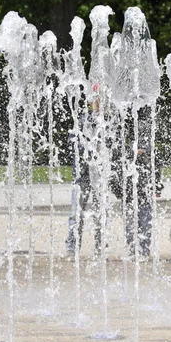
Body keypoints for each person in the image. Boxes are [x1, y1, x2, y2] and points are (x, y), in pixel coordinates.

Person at [112, 105, 163, 259]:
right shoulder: (124, 150)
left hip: (144, 192)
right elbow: (116, 167)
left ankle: (144, 250)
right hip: (128, 193)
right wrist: (117, 189)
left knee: (145, 222)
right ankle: (133, 249)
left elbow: (156, 167)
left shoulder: (149, 155)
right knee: (131, 224)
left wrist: (157, 185)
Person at [65, 91, 104, 256]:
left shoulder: (107, 122)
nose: (98, 102)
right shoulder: (81, 121)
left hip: (100, 175)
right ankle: (72, 248)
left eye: (101, 99)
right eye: (95, 99)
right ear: (89, 102)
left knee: (99, 215)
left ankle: (98, 249)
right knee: (76, 214)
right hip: (82, 175)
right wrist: (89, 148)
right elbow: (71, 143)